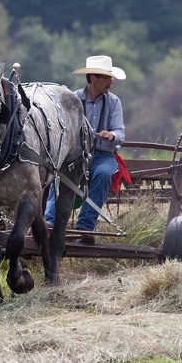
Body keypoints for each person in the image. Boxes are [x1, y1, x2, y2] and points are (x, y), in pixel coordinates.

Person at [44, 55, 126, 243]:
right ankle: (49, 222)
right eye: (107, 77)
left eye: (111, 77)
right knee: (59, 175)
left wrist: (112, 135)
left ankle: (85, 227)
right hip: (75, 155)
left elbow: (120, 131)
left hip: (103, 154)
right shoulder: (71, 100)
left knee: (104, 173)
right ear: (93, 78)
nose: (111, 81)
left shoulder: (114, 102)